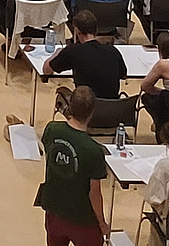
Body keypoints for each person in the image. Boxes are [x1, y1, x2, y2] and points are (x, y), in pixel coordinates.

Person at [35, 84, 112, 246]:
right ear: (92, 112)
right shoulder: (93, 150)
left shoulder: (52, 129)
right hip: (82, 218)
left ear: (70, 106)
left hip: (54, 208)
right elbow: (94, 193)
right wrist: (102, 222)